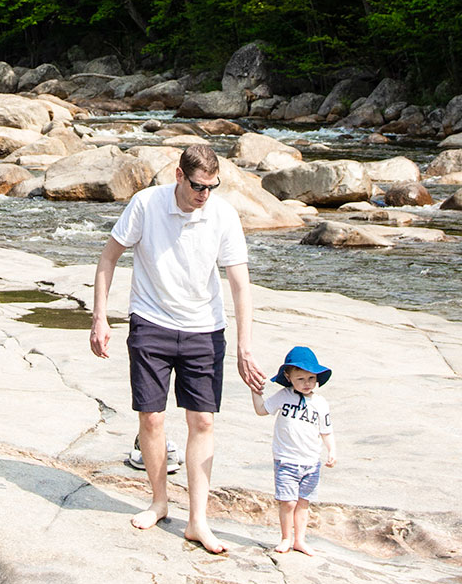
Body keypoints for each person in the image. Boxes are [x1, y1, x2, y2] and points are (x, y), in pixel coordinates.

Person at [89, 143, 264, 555]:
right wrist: (100, 317)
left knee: (202, 422)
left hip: (205, 329)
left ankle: (198, 520)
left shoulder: (222, 214)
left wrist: (245, 346)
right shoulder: (146, 205)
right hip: (151, 322)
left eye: (212, 187)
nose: (205, 195)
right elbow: (108, 258)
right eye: (199, 186)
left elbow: (240, 283)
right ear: (179, 177)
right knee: (151, 418)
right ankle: (159, 501)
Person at [251, 345, 336, 557]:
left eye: (311, 378)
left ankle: (300, 540)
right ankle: (285, 538)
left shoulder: (320, 403)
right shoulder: (283, 396)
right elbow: (262, 410)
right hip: (286, 459)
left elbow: (326, 430)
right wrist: (255, 391)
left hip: (311, 462)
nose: (306, 384)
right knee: (288, 502)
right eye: (300, 379)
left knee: (303, 503)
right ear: (288, 377)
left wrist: (331, 450)